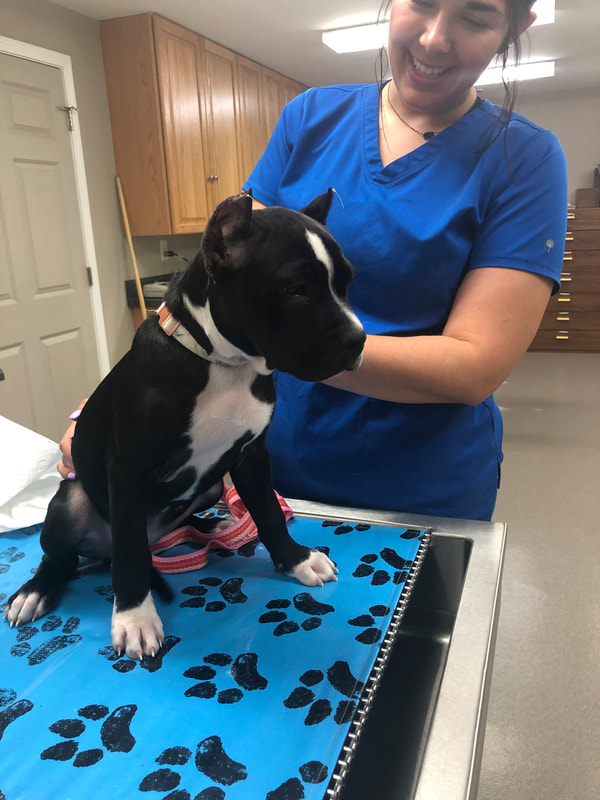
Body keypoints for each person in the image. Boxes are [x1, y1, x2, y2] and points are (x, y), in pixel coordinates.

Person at [60, 0, 567, 522]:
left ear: (515, 28)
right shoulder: (310, 117)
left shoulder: (523, 159)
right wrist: (114, 407)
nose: (435, 39)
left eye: (476, 17)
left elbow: (472, 367)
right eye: (423, 2)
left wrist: (302, 350)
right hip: (266, 470)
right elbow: (223, 293)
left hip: (417, 488)